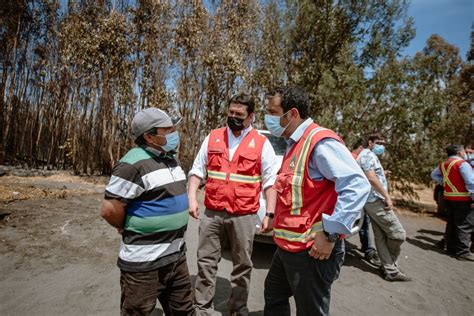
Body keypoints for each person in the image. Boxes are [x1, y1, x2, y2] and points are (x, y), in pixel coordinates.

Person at [262, 86, 371, 316]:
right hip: (287, 248)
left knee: (310, 311)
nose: (268, 118)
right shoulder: (294, 143)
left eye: (272, 112)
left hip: (312, 251)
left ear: (292, 113)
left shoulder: (319, 141)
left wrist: (330, 234)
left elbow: (357, 186)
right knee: (274, 295)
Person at [188, 93, 278, 316]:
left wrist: (270, 214)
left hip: (244, 215)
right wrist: (191, 197)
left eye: (240, 115)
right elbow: (197, 170)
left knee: (242, 264)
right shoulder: (213, 137)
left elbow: (271, 182)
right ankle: (202, 307)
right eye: (231, 113)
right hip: (213, 212)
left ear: (251, 117)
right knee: (206, 261)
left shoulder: (261, 144)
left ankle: (238, 309)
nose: (234, 118)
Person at [100, 108, 195, 315]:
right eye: (167, 130)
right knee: (138, 311)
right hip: (144, 264)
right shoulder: (131, 164)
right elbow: (109, 210)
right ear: (149, 136)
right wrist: (123, 224)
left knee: (184, 310)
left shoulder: (171, 158)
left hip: (176, 256)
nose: (173, 133)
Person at [357, 134, 411, 281]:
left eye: (383, 143)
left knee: (381, 235)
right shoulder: (368, 155)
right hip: (376, 200)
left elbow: (371, 175)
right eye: (379, 143)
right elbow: (370, 177)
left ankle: (389, 269)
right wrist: (387, 196)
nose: (382, 146)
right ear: (370, 142)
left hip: (371, 200)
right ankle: (390, 265)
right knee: (398, 234)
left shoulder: (367, 155)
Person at [431, 144, 474, 261]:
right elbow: (471, 182)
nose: (466, 153)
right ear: (460, 153)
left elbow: (433, 175)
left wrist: (445, 183)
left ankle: (450, 248)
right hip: (464, 198)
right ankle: (463, 252)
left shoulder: (444, 164)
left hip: (449, 198)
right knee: (464, 225)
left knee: (452, 223)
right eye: (464, 151)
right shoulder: (462, 164)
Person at [351, 138, 381, 266]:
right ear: (360, 148)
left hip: (360, 196)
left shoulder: (355, 157)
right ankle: (368, 249)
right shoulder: (354, 157)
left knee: (363, 223)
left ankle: (367, 247)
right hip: (359, 197)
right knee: (363, 223)